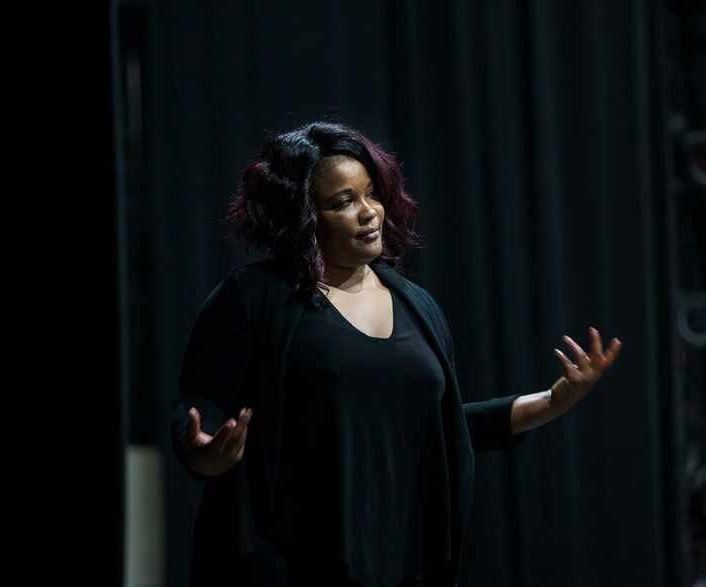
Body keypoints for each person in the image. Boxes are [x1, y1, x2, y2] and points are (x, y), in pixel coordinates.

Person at [170, 122, 622, 587]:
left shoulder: (416, 304)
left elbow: (429, 426)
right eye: (343, 202)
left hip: (400, 566)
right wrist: (206, 454)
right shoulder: (255, 297)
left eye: (371, 194)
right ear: (302, 219)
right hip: (291, 566)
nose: (369, 213)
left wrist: (551, 401)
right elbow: (200, 407)